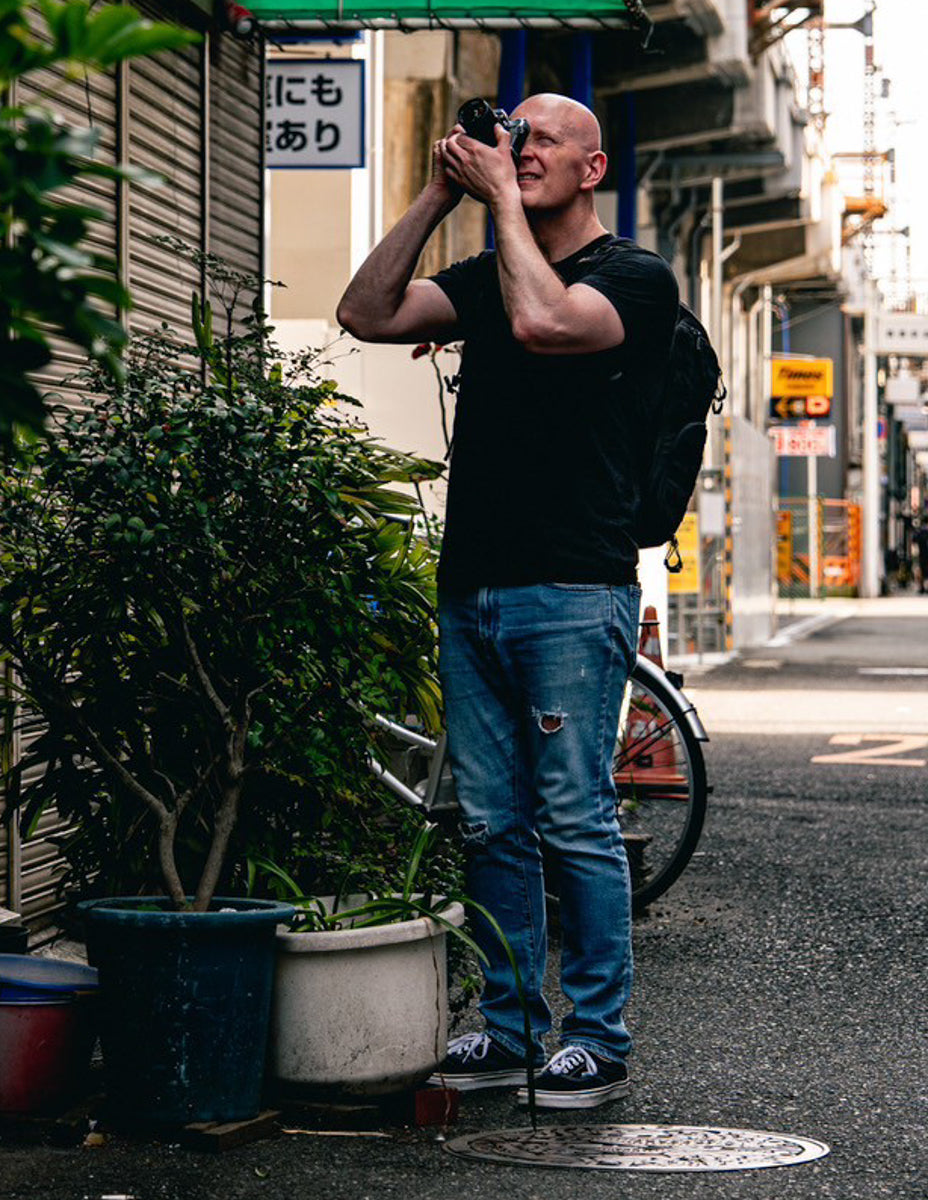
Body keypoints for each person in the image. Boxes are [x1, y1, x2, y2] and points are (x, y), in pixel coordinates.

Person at [336, 93, 678, 1110]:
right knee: (492, 822)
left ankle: (599, 1037)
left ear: (593, 167)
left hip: (574, 590)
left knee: (573, 817)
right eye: (511, 135)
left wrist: (498, 207)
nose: (520, 150)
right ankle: (510, 1025)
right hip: (473, 586)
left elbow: (543, 321)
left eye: (543, 141)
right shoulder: (487, 269)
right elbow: (366, 311)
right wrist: (442, 192)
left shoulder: (635, 279)